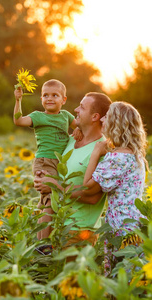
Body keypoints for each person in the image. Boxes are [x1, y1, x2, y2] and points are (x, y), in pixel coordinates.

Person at [33, 92, 112, 248]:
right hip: (56, 227)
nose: (76, 109)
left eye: (82, 107)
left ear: (95, 117)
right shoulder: (70, 140)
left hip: (78, 232)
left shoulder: (103, 150)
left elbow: (93, 198)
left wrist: (54, 185)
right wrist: (42, 177)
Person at [81, 101, 148, 275]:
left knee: (119, 279)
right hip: (134, 224)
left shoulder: (118, 158)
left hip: (121, 228)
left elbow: (87, 187)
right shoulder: (135, 154)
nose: (102, 119)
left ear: (116, 123)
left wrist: (96, 152)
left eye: (107, 116)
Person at [14, 79, 81, 240]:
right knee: (51, 197)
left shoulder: (66, 116)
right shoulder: (38, 116)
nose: (49, 98)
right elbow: (19, 120)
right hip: (45, 161)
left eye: (55, 95)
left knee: (49, 200)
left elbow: (81, 124)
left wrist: (79, 128)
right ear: (41, 99)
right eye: (45, 95)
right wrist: (18, 100)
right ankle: (43, 243)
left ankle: (41, 234)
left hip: (61, 162)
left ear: (63, 100)